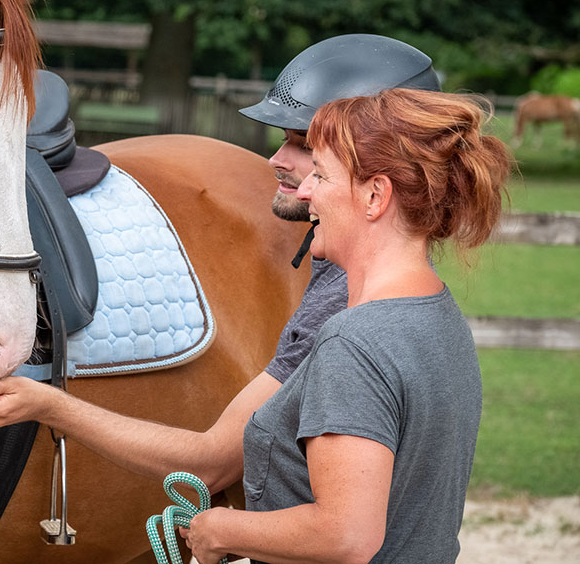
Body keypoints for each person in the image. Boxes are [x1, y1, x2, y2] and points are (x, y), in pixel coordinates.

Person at [0, 34, 441, 492]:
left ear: (380, 178)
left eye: (305, 147)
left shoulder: (348, 318)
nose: (275, 159)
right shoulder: (421, 304)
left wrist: (50, 405)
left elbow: (218, 465)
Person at [181, 88, 512, 564]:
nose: (307, 190)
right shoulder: (438, 313)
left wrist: (220, 528)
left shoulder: (353, 341)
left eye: (320, 174)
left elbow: (345, 535)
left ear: (375, 196)